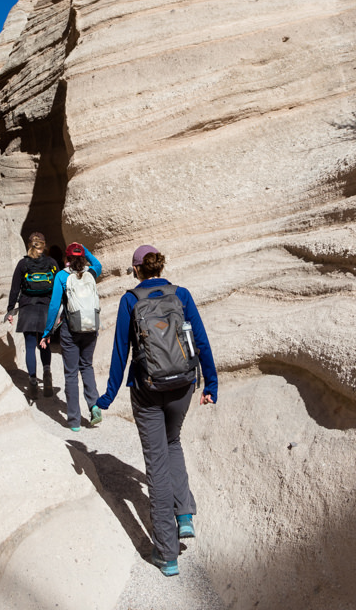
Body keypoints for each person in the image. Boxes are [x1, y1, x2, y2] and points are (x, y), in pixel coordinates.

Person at [95, 244, 218, 577]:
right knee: (173, 441)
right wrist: (211, 385)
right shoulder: (182, 295)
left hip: (148, 389)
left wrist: (106, 398)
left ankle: (167, 553)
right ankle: (185, 515)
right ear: (159, 268)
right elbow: (201, 341)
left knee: (157, 467)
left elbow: (121, 352)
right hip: (183, 386)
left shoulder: (130, 300)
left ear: (137, 270)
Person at [40, 242, 103, 432]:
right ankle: (93, 405)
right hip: (91, 327)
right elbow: (97, 263)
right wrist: (84, 247)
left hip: (70, 329)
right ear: (83, 257)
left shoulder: (61, 276)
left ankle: (74, 421)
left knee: (71, 373)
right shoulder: (92, 272)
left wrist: (47, 332)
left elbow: (53, 307)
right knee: (87, 366)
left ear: (66, 259)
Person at [5, 232, 57, 398]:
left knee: (29, 346)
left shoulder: (23, 264)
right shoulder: (51, 263)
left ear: (29, 245)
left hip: (27, 306)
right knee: (45, 342)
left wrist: (10, 310)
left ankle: (33, 381)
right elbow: (59, 286)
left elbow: (15, 289)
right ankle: (47, 373)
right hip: (46, 307)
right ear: (44, 245)